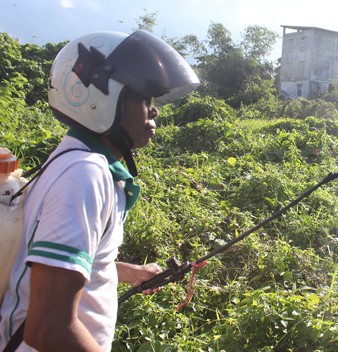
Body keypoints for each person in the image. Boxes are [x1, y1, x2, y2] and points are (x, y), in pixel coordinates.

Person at [0, 30, 200, 351]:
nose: (154, 111)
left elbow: (59, 265)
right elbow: (48, 328)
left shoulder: (75, 163)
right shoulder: (84, 175)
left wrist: (131, 272)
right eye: (143, 98)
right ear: (101, 99)